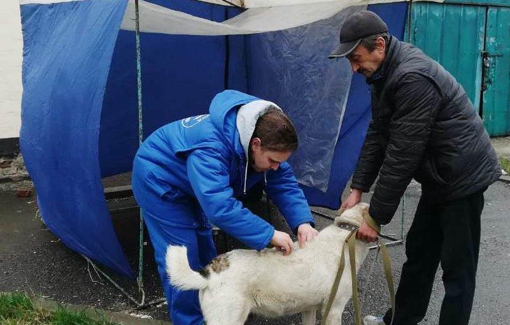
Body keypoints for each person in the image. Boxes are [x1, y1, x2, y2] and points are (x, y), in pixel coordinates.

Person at [329, 10, 501, 325]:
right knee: (420, 254)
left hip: (462, 176)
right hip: (439, 176)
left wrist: (376, 217)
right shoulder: (382, 73)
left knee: (457, 268)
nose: (354, 68)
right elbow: (378, 133)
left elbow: (402, 154)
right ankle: (400, 320)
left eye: (356, 58)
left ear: (379, 45)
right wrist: (357, 189)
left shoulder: (412, 77)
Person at [131, 90, 318, 325]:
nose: (275, 167)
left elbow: (282, 182)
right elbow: (219, 207)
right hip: (159, 181)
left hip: (193, 182)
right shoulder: (211, 147)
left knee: (205, 248)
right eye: (272, 161)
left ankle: (222, 307)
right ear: (256, 144)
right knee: (183, 255)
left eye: (281, 162)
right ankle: (191, 321)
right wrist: (269, 234)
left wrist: (302, 221)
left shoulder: (260, 135)